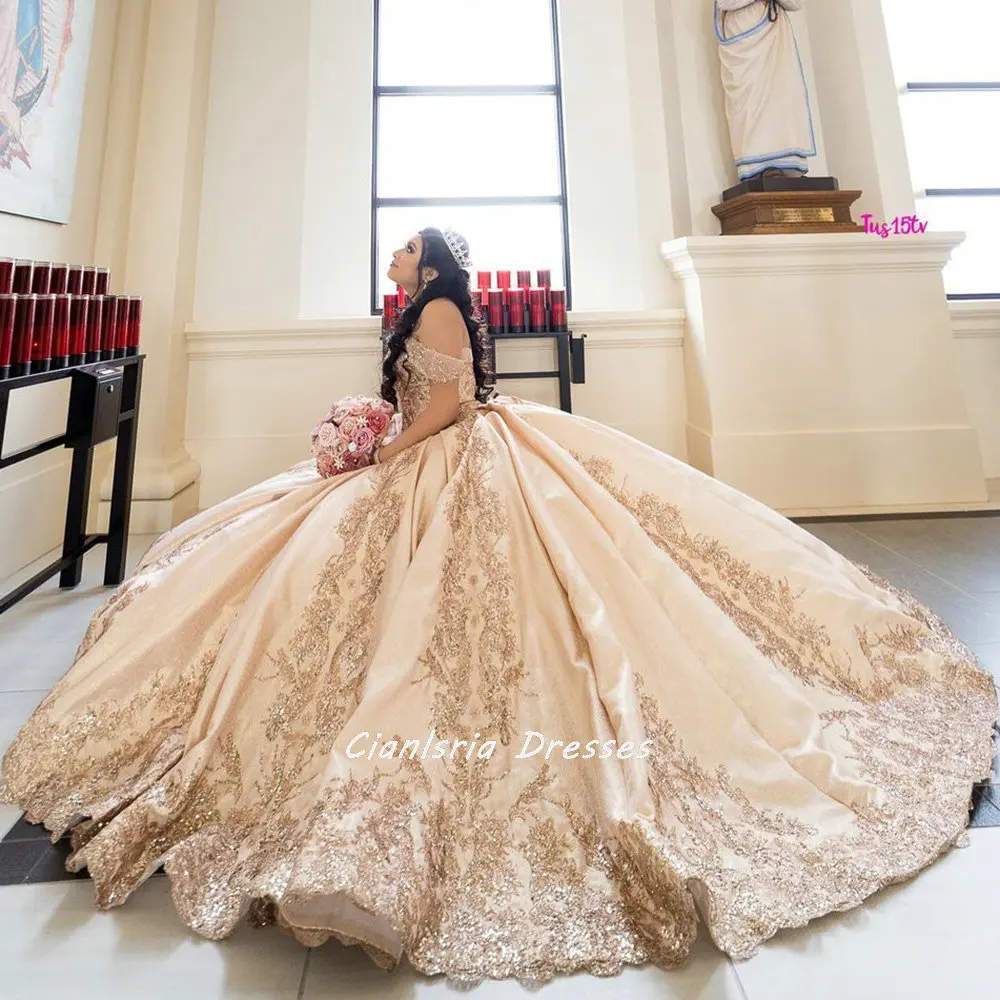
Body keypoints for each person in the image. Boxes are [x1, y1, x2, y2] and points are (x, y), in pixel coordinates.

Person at [2, 227, 995, 984]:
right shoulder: (425, 307)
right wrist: (370, 434)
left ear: (426, 265)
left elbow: (443, 408)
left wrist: (376, 449)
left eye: (400, 251)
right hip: (430, 447)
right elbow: (423, 400)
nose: (390, 259)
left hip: (446, 459)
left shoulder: (433, 310)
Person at [715, 0, 817, 180]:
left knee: (783, 94)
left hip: (775, 33)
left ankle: (788, 165)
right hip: (743, 30)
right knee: (752, 101)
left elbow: (796, 3)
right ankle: (760, 165)